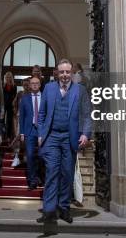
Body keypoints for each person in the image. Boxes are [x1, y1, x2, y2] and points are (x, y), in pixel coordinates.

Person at [37, 59, 92, 224]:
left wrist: (85, 134)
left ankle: (64, 208)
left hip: (70, 137)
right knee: (52, 171)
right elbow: (41, 114)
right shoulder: (49, 88)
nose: (65, 75)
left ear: (72, 73)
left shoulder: (80, 90)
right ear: (57, 73)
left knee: (67, 174)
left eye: (67, 72)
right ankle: (49, 210)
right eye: (61, 72)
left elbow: (87, 114)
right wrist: (41, 134)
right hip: (52, 136)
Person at [18, 76, 43, 189]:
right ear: (29, 85)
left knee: (43, 155)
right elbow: (21, 117)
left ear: (40, 84)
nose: (34, 85)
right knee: (30, 155)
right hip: (29, 130)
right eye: (32, 83)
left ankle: (41, 177)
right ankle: (32, 180)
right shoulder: (25, 98)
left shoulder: (45, 97)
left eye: (36, 83)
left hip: (42, 130)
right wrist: (22, 133)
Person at [9, 77, 30, 167]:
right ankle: (17, 157)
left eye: (27, 84)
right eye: (24, 84)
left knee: (27, 138)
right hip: (19, 118)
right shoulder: (19, 94)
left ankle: (25, 155)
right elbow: (14, 104)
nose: (25, 86)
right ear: (22, 85)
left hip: (29, 120)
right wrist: (16, 112)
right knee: (18, 137)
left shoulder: (32, 94)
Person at [2, 72, 17, 141]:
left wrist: (14, 104)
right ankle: (1, 135)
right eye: (7, 77)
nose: (8, 78)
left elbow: (15, 96)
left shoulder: (14, 86)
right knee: (1, 119)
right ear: (5, 78)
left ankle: (8, 136)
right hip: (4, 104)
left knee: (9, 120)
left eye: (9, 77)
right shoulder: (3, 85)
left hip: (11, 104)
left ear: (11, 78)